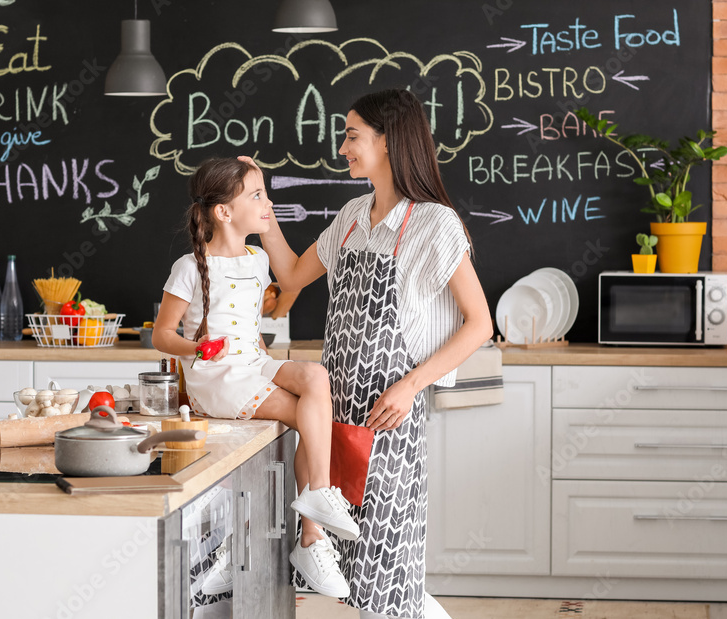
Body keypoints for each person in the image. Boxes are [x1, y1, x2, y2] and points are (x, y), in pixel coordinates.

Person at [255, 88, 494, 619]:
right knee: (349, 564)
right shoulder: (352, 216)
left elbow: (480, 324)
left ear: (389, 142)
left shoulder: (434, 224)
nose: (343, 147)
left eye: (352, 135)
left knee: (387, 559)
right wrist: (262, 210)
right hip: (337, 408)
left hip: (389, 415)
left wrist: (411, 387)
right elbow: (293, 274)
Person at [153, 156, 359, 599]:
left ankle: (316, 503)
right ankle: (312, 534)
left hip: (252, 362)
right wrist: (195, 348)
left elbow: (250, 326)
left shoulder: (260, 257)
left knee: (315, 378)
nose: (268, 204)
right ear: (224, 212)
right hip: (218, 376)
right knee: (308, 417)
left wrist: (271, 364)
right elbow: (161, 336)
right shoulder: (190, 268)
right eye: (257, 195)